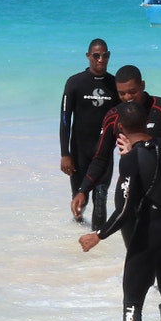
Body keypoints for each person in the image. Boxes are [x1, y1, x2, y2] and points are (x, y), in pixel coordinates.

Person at [78, 101, 161, 321]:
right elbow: (152, 161)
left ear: (121, 128)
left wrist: (98, 235)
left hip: (149, 233)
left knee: (132, 301)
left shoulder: (131, 160)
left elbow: (124, 209)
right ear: (147, 120)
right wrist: (133, 153)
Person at [72, 64, 161, 218]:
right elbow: (101, 158)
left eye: (132, 91)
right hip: (130, 193)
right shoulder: (113, 117)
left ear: (142, 85)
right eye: (122, 93)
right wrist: (83, 190)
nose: (128, 98)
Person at [60, 39, 120, 230]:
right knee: (79, 202)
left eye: (105, 55)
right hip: (79, 152)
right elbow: (64, 120)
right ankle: (76, 240)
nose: (101, 59)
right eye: (96, 55)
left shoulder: (114, 84)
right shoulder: (74, 82)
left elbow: (124, 119)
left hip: (104, 152)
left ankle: (99, 243)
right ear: (88, 56)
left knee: (100, 199)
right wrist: (65, 154)